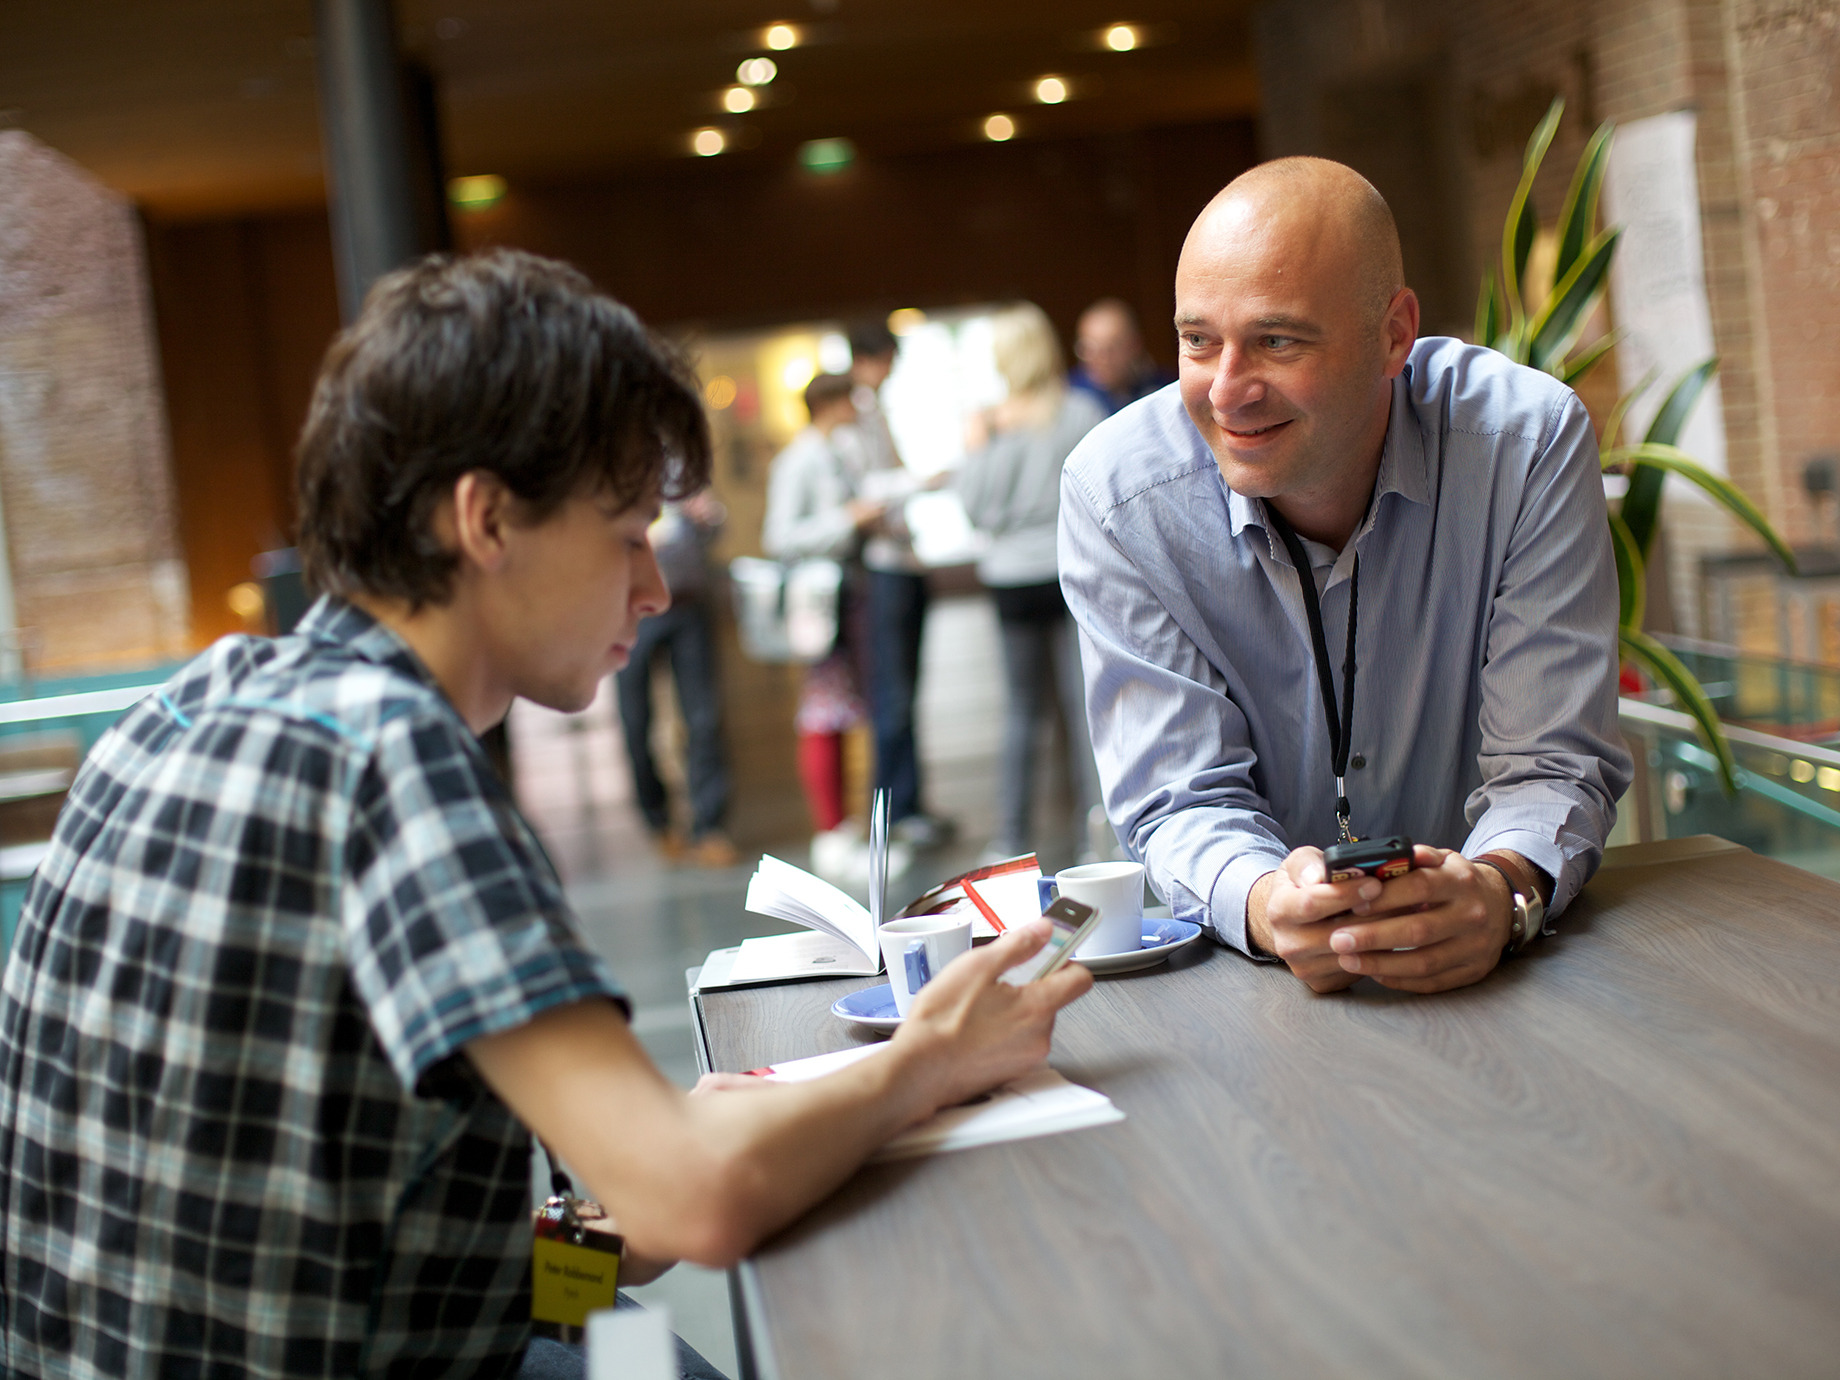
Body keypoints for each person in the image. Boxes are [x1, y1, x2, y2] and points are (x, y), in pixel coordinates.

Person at [0, 250, 1092, 1379]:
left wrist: (611, 1235)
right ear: (486, 520)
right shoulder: (394, 763)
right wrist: (926, 1063)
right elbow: (703, 1201)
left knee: (626, 1335)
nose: (654, 587)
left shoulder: (173, 714)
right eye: (627, 533)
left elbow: (342, 1257)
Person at [1058, 157, 1633, 996]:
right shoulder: (1119, 497)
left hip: (1504, 985)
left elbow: (1550, 764)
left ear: (1395, 334)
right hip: (1257, 996)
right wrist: (1263, 904)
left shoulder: (1524, 446)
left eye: (1277, 340)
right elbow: (1180, 798)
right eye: (1197, 341)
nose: (1227, 391)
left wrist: (1498, 892)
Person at [957, 303, 1107, 862]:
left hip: (1011, 582)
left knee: (1022, 711)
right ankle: (1100, 839)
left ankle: (1011, 841)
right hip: (1071, 572)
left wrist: (978, 447)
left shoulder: (991, 424)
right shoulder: (1080, 411)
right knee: (1085, 707)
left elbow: (974, 509)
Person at [761, 372, 906, 882]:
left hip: (848, 596)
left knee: (844, 711)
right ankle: (830, 828)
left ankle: (843, 827)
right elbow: (780, 535)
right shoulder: (799, 460)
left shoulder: (834, 451)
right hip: (822, 601)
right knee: (824, 711)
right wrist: (847, 520)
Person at [834, 321, 953, 849]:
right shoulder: (850, 413)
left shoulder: (872, 410)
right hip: (881, 569)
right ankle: (892, 810)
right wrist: (919, 483)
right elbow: (866, 490)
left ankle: (909, 803)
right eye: (887, 362)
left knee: (906, 691)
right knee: (892, 694)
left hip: (903, 562)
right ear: (869, 359)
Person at [614, 490, 737, 867]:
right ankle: (658, 821)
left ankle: (709, 826)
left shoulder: (680, 465)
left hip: (687, 599)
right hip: (632, 606)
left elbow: (712, 531)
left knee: (704, 717)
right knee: (636, 720)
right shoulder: (609, 464)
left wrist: (708, 520)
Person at [1067, 297, 1175, 416]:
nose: (1101, 359)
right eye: (1088, 349)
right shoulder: (1068, 397)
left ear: (1135, 345)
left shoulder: (1162, 389)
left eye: (1111, 348)